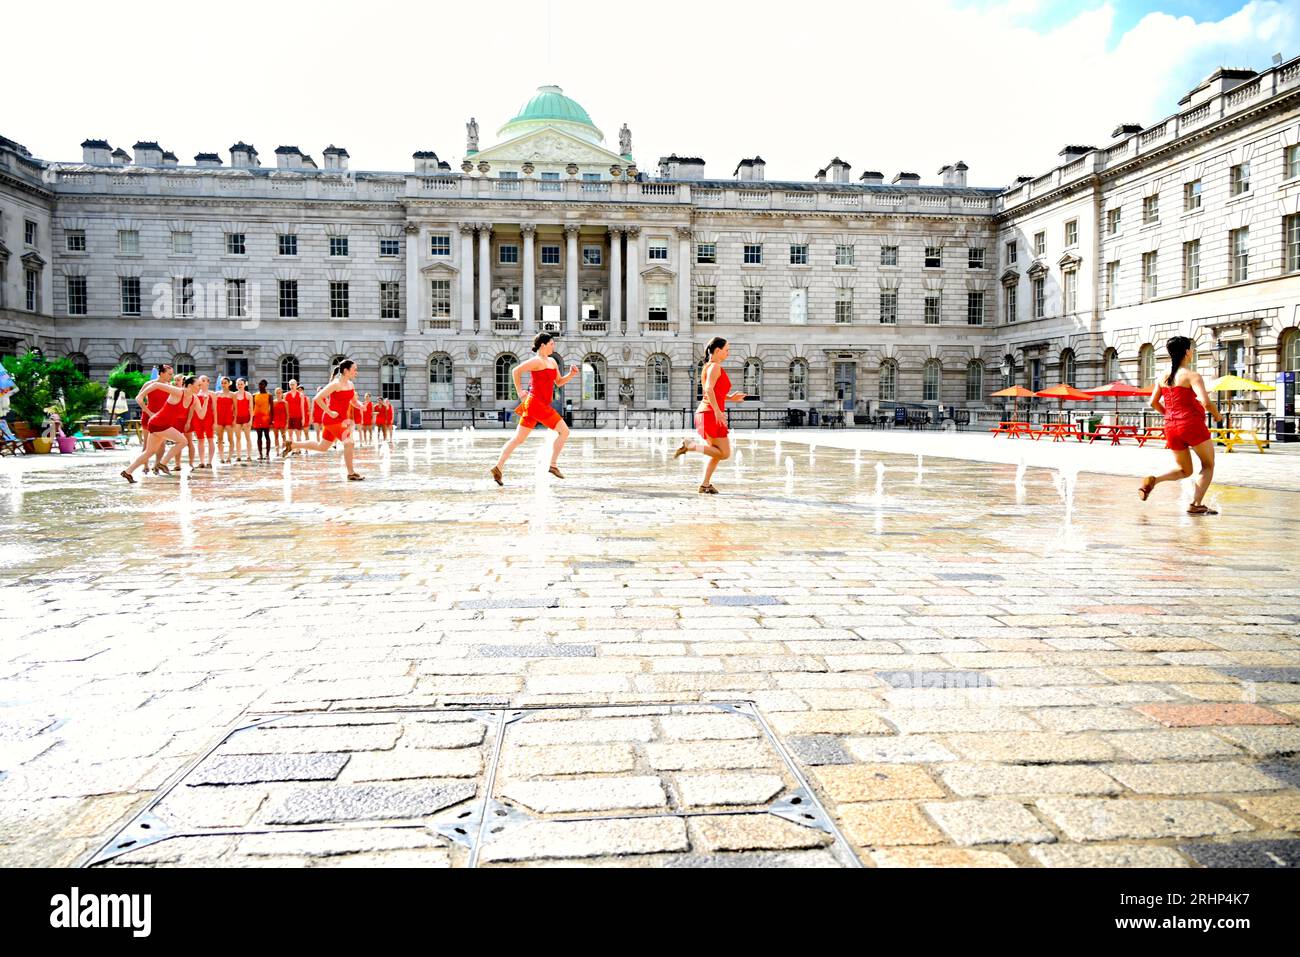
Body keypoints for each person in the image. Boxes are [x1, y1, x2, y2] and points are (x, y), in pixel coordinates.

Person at [1139, 335, 1225, 515]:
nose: (1192, 351)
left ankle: (1154, 480)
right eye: (1191, 348)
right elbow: (1205, 402)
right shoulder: (1192, 375)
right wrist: (1217, 416)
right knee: (1208, 465)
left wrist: (1170, 416)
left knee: (1184, 470)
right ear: (1187, 352)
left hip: (1171, 426)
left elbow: (1153, 403)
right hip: (1191, 424)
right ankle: (1195, 504)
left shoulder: (1163, 377)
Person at [489, 332, 577, 486]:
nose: (553, 346)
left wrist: (571, 374)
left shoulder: (552, 362)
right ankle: (553, 465)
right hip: (536, 404)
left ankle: (498, 467)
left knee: (518, 439)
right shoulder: (536, 361)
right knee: (565, 431)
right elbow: (515, 371)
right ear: (542, 345)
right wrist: (520, 392)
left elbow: (559, 382)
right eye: (551, 343)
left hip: (536, 405)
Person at [674, 336, 746, 494]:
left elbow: (715, 392)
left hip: (706, 412)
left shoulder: (709, 366)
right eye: (727, 350)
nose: (728, 353)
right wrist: (718, 411)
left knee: (717, 452)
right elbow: (708, 390)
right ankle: (690, 446)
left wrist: (730, 398)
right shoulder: (714, 367)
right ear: (718, 350)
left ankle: (705, 484)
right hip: (709, 414)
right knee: (725, 453)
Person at [283, 359, 364, 480]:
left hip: (340, 419)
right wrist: (330, 412)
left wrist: (361, 405)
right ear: (346, 371)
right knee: (349, 442)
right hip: (332, 420)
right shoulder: (335, 384)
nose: (356, 372)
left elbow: (353, 401)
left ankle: (293, 445)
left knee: (322, 447)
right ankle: (351, 473)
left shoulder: (351, 385)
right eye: (354, 370)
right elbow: (317, 398)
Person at [121, 375, 197, 482]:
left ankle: (127, 472)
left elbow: (201, 414)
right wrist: (140, 396)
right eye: (198, 385)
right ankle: (162, 464)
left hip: (158, 423)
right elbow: (156, 385)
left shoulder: (192, 398)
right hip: (159, 424)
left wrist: (207, 402)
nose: (200, 387)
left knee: (149, 452)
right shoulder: (178, 392)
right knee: (183, 441)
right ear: (190, 385)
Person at [191, 375, 215, 469]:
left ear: (208, 382)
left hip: (209, 419)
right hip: (197, 419)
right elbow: (192, 408)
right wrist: (190, 421)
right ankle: (202, 461)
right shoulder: (195, 394)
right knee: (200, 440)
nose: (202, 382)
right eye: (201, 381)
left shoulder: (212, 394)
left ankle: (209, 461)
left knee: (210, 439)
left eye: (204, 380)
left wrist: (216, 422)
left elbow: (214, 409)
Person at [214, 377, 236, 464]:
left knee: (230, 439)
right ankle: (221, 457)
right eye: (222, 383)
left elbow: (235, 408)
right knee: (219, 439)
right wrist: (215, 420)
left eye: (225, 383)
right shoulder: (217, 394)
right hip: (219, 418)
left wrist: (234, 420)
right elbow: (214, 409)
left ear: (229, 383)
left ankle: (229, 457)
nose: (223, 384)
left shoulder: (232, 394)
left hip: (229, 418)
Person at [251, 379, 273, 461]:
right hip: (257, 418)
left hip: (266, 418)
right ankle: (260, 454)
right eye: (259, 384)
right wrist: (252, 419)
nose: (260, 386)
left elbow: (272, 409)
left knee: (267, 436)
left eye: (262, 384)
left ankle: (267, 454)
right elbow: (253, 407)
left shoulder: (269, 395)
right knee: (259, 436)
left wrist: (271, 420)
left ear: (265, 385)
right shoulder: (254, 395)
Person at [233, 378, 253, 464]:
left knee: (247, 437)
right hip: (237, 418)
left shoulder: (248, 395)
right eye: (238, 384)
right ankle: (238, 456)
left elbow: (251, 409)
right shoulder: (234, 395)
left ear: (245, 384)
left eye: (241, 384)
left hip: (246, 418)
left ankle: (249, 455)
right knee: (238, 438)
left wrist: (251, 420)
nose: (239, 385)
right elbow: (232, 409)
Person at [285, 379, 307, 446]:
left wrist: (303, 418)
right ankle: (291, 448)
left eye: (293, 384)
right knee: (290, 435)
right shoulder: (286, 395)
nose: (292, 386)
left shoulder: (300, 395)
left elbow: (302, 407)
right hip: (289, 417)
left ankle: (298, 449)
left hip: (298, 416)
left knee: (298, 434)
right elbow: (285, 408)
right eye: (290, 384)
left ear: (296, 385)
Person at [271, 386, 289, 456]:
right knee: (276, 437)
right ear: (275, 394)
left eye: (279, 393)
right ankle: (277, 451)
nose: (278, 394)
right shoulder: (273, 402)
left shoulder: (285, 403)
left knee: (283, 436)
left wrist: (287, 423)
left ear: (282, 393)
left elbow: (287, 414)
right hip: (275, 421)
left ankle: (284, 450)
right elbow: (271, 413)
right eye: (277, 393)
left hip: (283, 421)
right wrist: (271, 421)